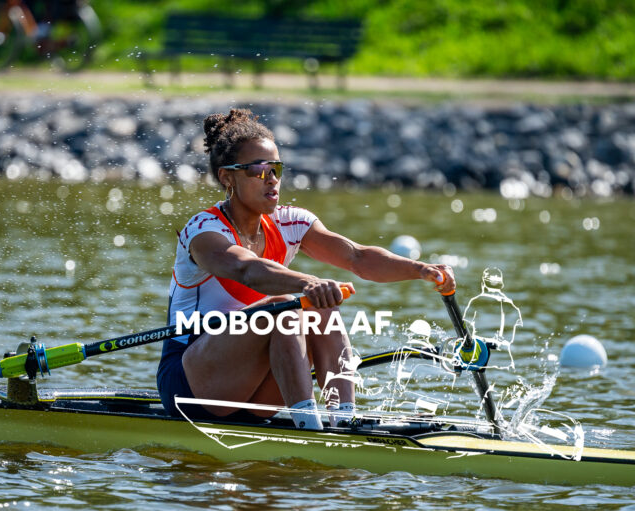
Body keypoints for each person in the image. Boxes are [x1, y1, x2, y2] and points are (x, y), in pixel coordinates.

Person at [157, 109, 455, 430]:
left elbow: (358, 257)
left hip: (255, 390)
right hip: (190, 387)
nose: (272, 179)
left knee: (320, 306)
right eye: (258, 170)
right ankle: (309, 425)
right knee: (285, 305)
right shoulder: (204, 231)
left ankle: (343, 419)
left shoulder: (290, 222)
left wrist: (421, 269)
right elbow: (246, 269)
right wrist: (309, 282)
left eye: (276, 169)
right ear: (227, 177)